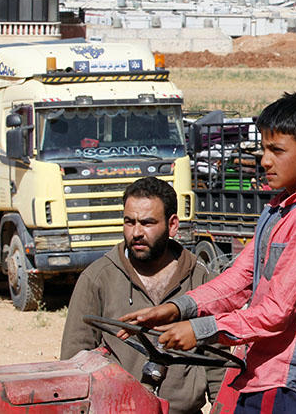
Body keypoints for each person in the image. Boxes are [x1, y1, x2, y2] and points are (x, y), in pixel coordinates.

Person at [118, 93, 296, 414]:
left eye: (277, 151)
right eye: (264, 149)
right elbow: (239, 278)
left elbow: (276, 313)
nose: (265, 160)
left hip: (288, 382)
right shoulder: (277, 210)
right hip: (261, 373)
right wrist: (176, 308)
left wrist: (201, 330)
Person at [60, 176, 214, 414]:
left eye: (148, 223)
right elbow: (74, 361)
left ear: (172, 225)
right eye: (129, 222)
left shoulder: (201, 278)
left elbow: (219, 362)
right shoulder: (98, 278)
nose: (136, 232)